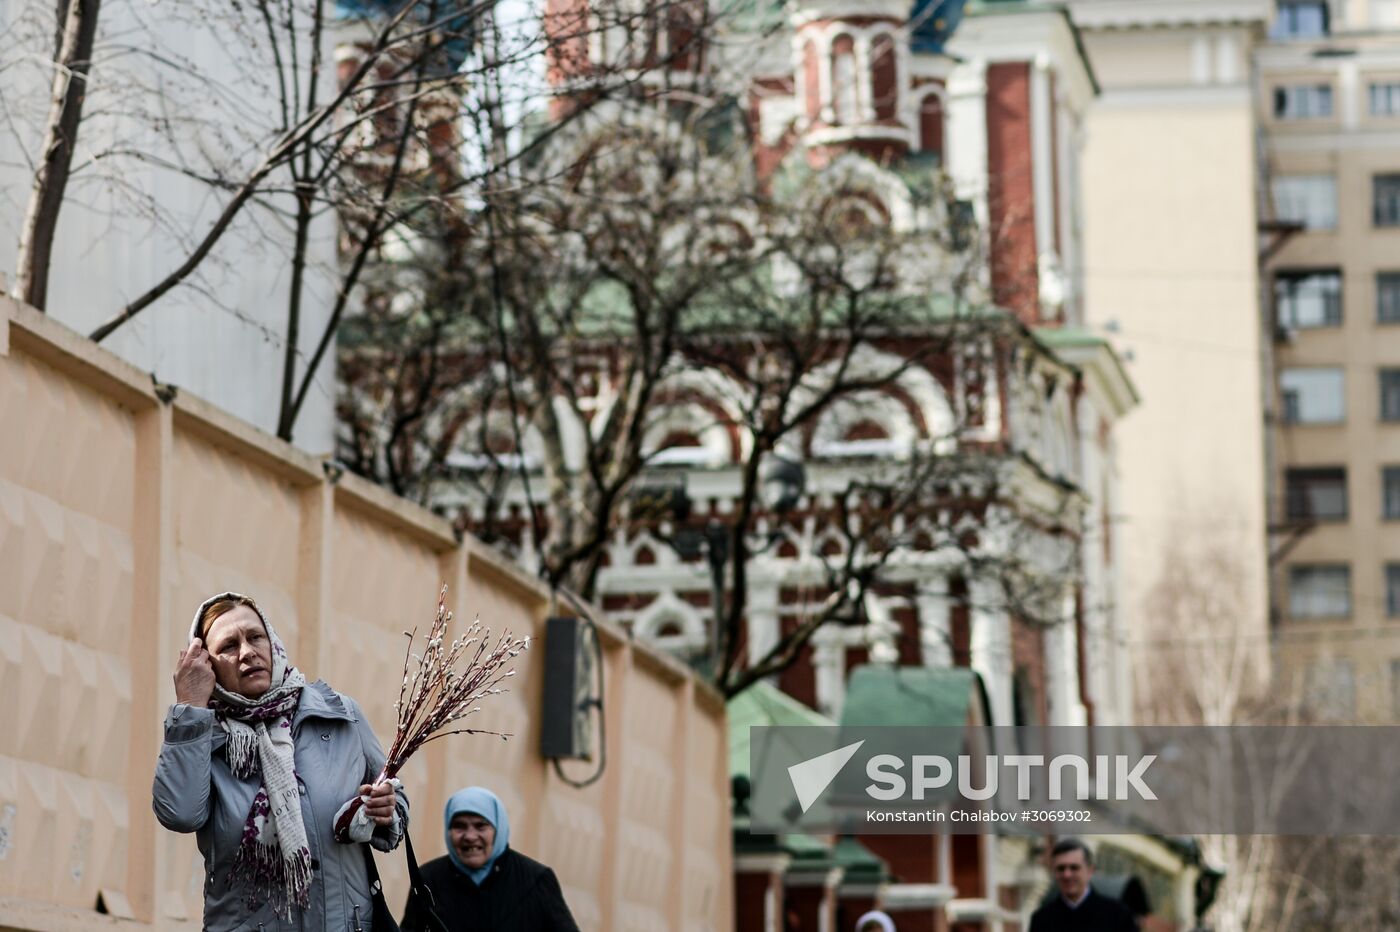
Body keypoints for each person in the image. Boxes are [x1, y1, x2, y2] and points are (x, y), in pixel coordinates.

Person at [153, 592, 409, 931]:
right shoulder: (206, 737)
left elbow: (395, 802)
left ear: (272, 641)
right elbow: (179, 813)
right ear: (209, 666)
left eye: (254, 636)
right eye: (229, 646)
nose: (247, 652)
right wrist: (190, 709)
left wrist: (387, 809)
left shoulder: (339, 715)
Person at [401, 786, 580, 932]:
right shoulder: (428, 880)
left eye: (481, 826)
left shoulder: (536, 880)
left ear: (499, 828)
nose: (470, 836)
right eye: (459, 826)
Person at [1029, 839, 1136, 932]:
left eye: (1074, 868)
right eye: (1061, 868)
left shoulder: (1117, 915)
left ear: (1090, 871)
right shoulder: (1042, 919)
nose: (1067, 875)